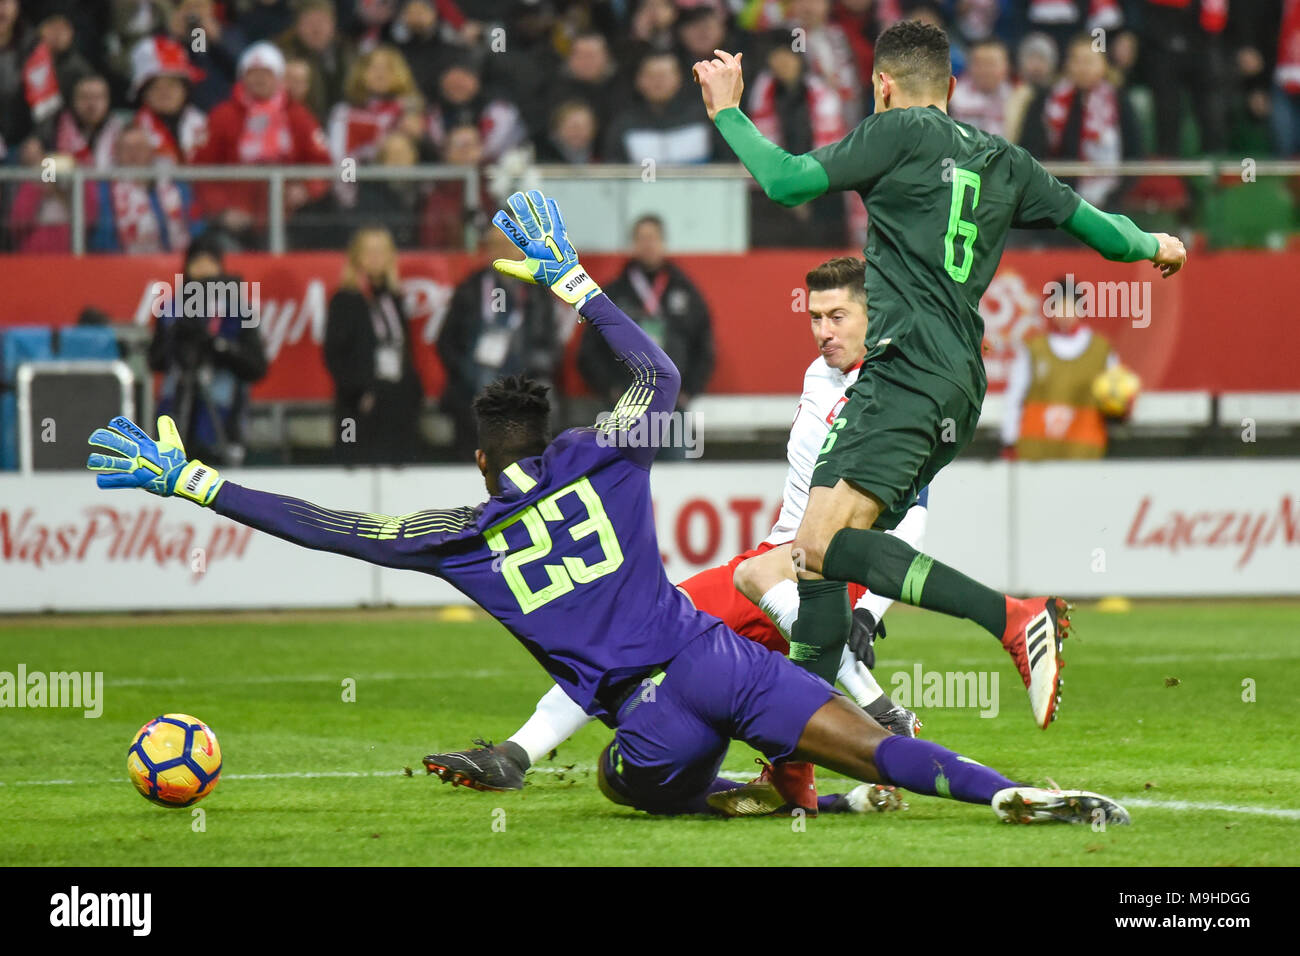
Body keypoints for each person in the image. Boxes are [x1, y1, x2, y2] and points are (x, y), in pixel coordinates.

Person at [86, 190, 1130, 826]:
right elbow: (660, 374)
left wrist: (196, 482)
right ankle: (1003, 792)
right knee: (867, 739)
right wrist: (575, 281)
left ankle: (742, 791)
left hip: (652, 719)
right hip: (719, 660)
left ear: (482, 459)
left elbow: (329, 527)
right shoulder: (602, 456)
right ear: (546, 438)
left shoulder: (458, 536)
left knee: (619, 783)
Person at [692, 20, 1186, 730]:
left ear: (882, 86)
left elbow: (786, 182)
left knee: (818, 546)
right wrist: (1154, 242)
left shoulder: (896, 131)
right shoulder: (1005, 160)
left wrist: (728, 112)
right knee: (816, 564)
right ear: (952, 85)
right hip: (957, 380)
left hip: (904, 367)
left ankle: (1012, 617)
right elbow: (1103, 233)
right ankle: (801, 755)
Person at [425, 256, 927, 806]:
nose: (823, 331)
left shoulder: (895, 396)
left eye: (838, 316)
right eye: (815, 317)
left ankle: (515, 755)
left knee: (641, 631)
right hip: (778, 560)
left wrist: (867, 611)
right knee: (769, 686)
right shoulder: (819, 375)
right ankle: (823, 780)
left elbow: (915, 512)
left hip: (828, 565)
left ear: (873, 316)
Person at [577, 214, 714, 431]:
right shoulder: (612, 294)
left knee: (676, 454)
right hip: (624, 405)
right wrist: (611, 388)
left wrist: (688, 390)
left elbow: (703, 345)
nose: (648, 245)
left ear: (663, 242)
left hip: (672, 405)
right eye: (642, 239)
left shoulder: (686, 292)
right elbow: (590, 349)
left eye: (653, 238)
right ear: (633, 244)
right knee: (622, 454)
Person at [191, 41, 332, 247]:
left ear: (279, 77)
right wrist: (222, 210)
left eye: (267, 73)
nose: (260, 79)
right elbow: (202, 169)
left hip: (290, 218)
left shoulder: (298, 115)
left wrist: (306, 189)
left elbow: (322, 163)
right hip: (235, 220)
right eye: (253, 73)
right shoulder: (222, 116)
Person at [438, 224, 562, 459]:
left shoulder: (537, 291)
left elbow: (551, 345)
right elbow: (447, 342)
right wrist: (467, 372)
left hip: (526, 383)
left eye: (508, 244)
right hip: (477, 384)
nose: (502, 250)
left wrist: (530, 372)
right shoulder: (470, 289)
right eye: (495, 244)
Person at [146, 236, 268, 465]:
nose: (203, 271)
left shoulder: (237, 310)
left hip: (223, 420)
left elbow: (256, 366)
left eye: (209, 264)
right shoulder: (171, 309)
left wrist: (216, 345)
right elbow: (155, 360)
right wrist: (177, 337)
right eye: (197, 263)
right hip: (178, 411)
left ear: (220, 268)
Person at [323, 225, 425, 465]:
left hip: (396, 400)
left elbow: (404, 348)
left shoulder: (393, 297)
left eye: (381, 251)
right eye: (368, 251)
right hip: (360, 405)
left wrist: (412, 391)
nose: (375, 257)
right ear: (356, 257)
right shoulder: (345, 299)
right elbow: (334, 354)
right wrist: (359, 392)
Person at [1000, 277, 1123, 460]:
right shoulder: (1033, 350)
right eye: (1058, 306)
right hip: (1035, 456)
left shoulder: (1101, 351)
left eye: (1070, 306)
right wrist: (1009, 440)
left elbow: (1117, 397)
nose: (1064, 313)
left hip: (1084, 454)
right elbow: (1014, 397)